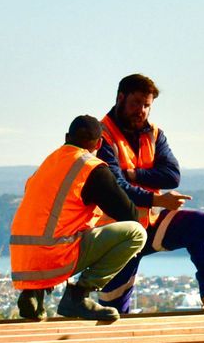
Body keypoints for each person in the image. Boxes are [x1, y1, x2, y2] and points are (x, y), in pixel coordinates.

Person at [94, 73, 204, 315]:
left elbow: (171, 175)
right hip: (115, 234)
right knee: (113, 311)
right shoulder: (102, 135)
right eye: (135, 103)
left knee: (199, 224)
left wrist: (131, 173)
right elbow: (114, 186)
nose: (141, 110)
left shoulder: (153, 134)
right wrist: (157, 198)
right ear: (120, 98)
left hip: (147, 224)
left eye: (146, 106)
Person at [9, 116, 148, 323]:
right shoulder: (91, 168)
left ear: (66, 138)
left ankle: (32, 295)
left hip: (23, 261)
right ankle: (79, 296)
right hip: (55, 255)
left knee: (60, 229)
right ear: (99, 144)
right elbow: (130, 215)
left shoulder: (49, 163)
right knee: (136, 233)